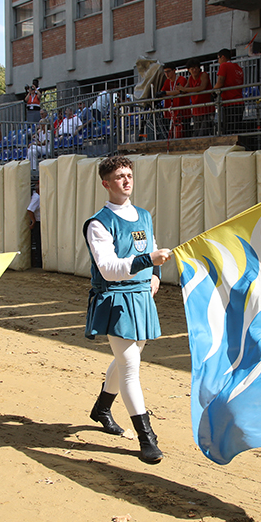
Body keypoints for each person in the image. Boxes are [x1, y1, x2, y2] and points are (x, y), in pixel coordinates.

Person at [83, 155, 172, 465]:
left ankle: (102, 408)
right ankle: (147, 438)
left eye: (129, 175)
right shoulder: (99, 223)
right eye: (119, 176)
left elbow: (150, 247)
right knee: (130, 366)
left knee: (126, 360)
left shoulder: (144, 216)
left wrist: (156, 276)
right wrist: (150, 262)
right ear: (106, 183)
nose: (126, 180)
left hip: (141, 297)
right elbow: (108, 268)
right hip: (116, 299)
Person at [214, 47, 246, 138]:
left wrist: (212, 92)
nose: (218, 61)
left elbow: (220, 82)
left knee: (229, 130)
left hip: (230, 103)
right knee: (236, 129)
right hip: (240, 101)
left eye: (218, 58)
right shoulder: (238, 67)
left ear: (223, 57)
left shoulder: (224, 66)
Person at [26, 179, 42, 268]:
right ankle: (39, 263)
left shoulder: (37, 196)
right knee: (39, 243)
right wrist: (33, 221)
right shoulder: (37, 197)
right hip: (38, 223)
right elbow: (30, 209)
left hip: (39, 222)